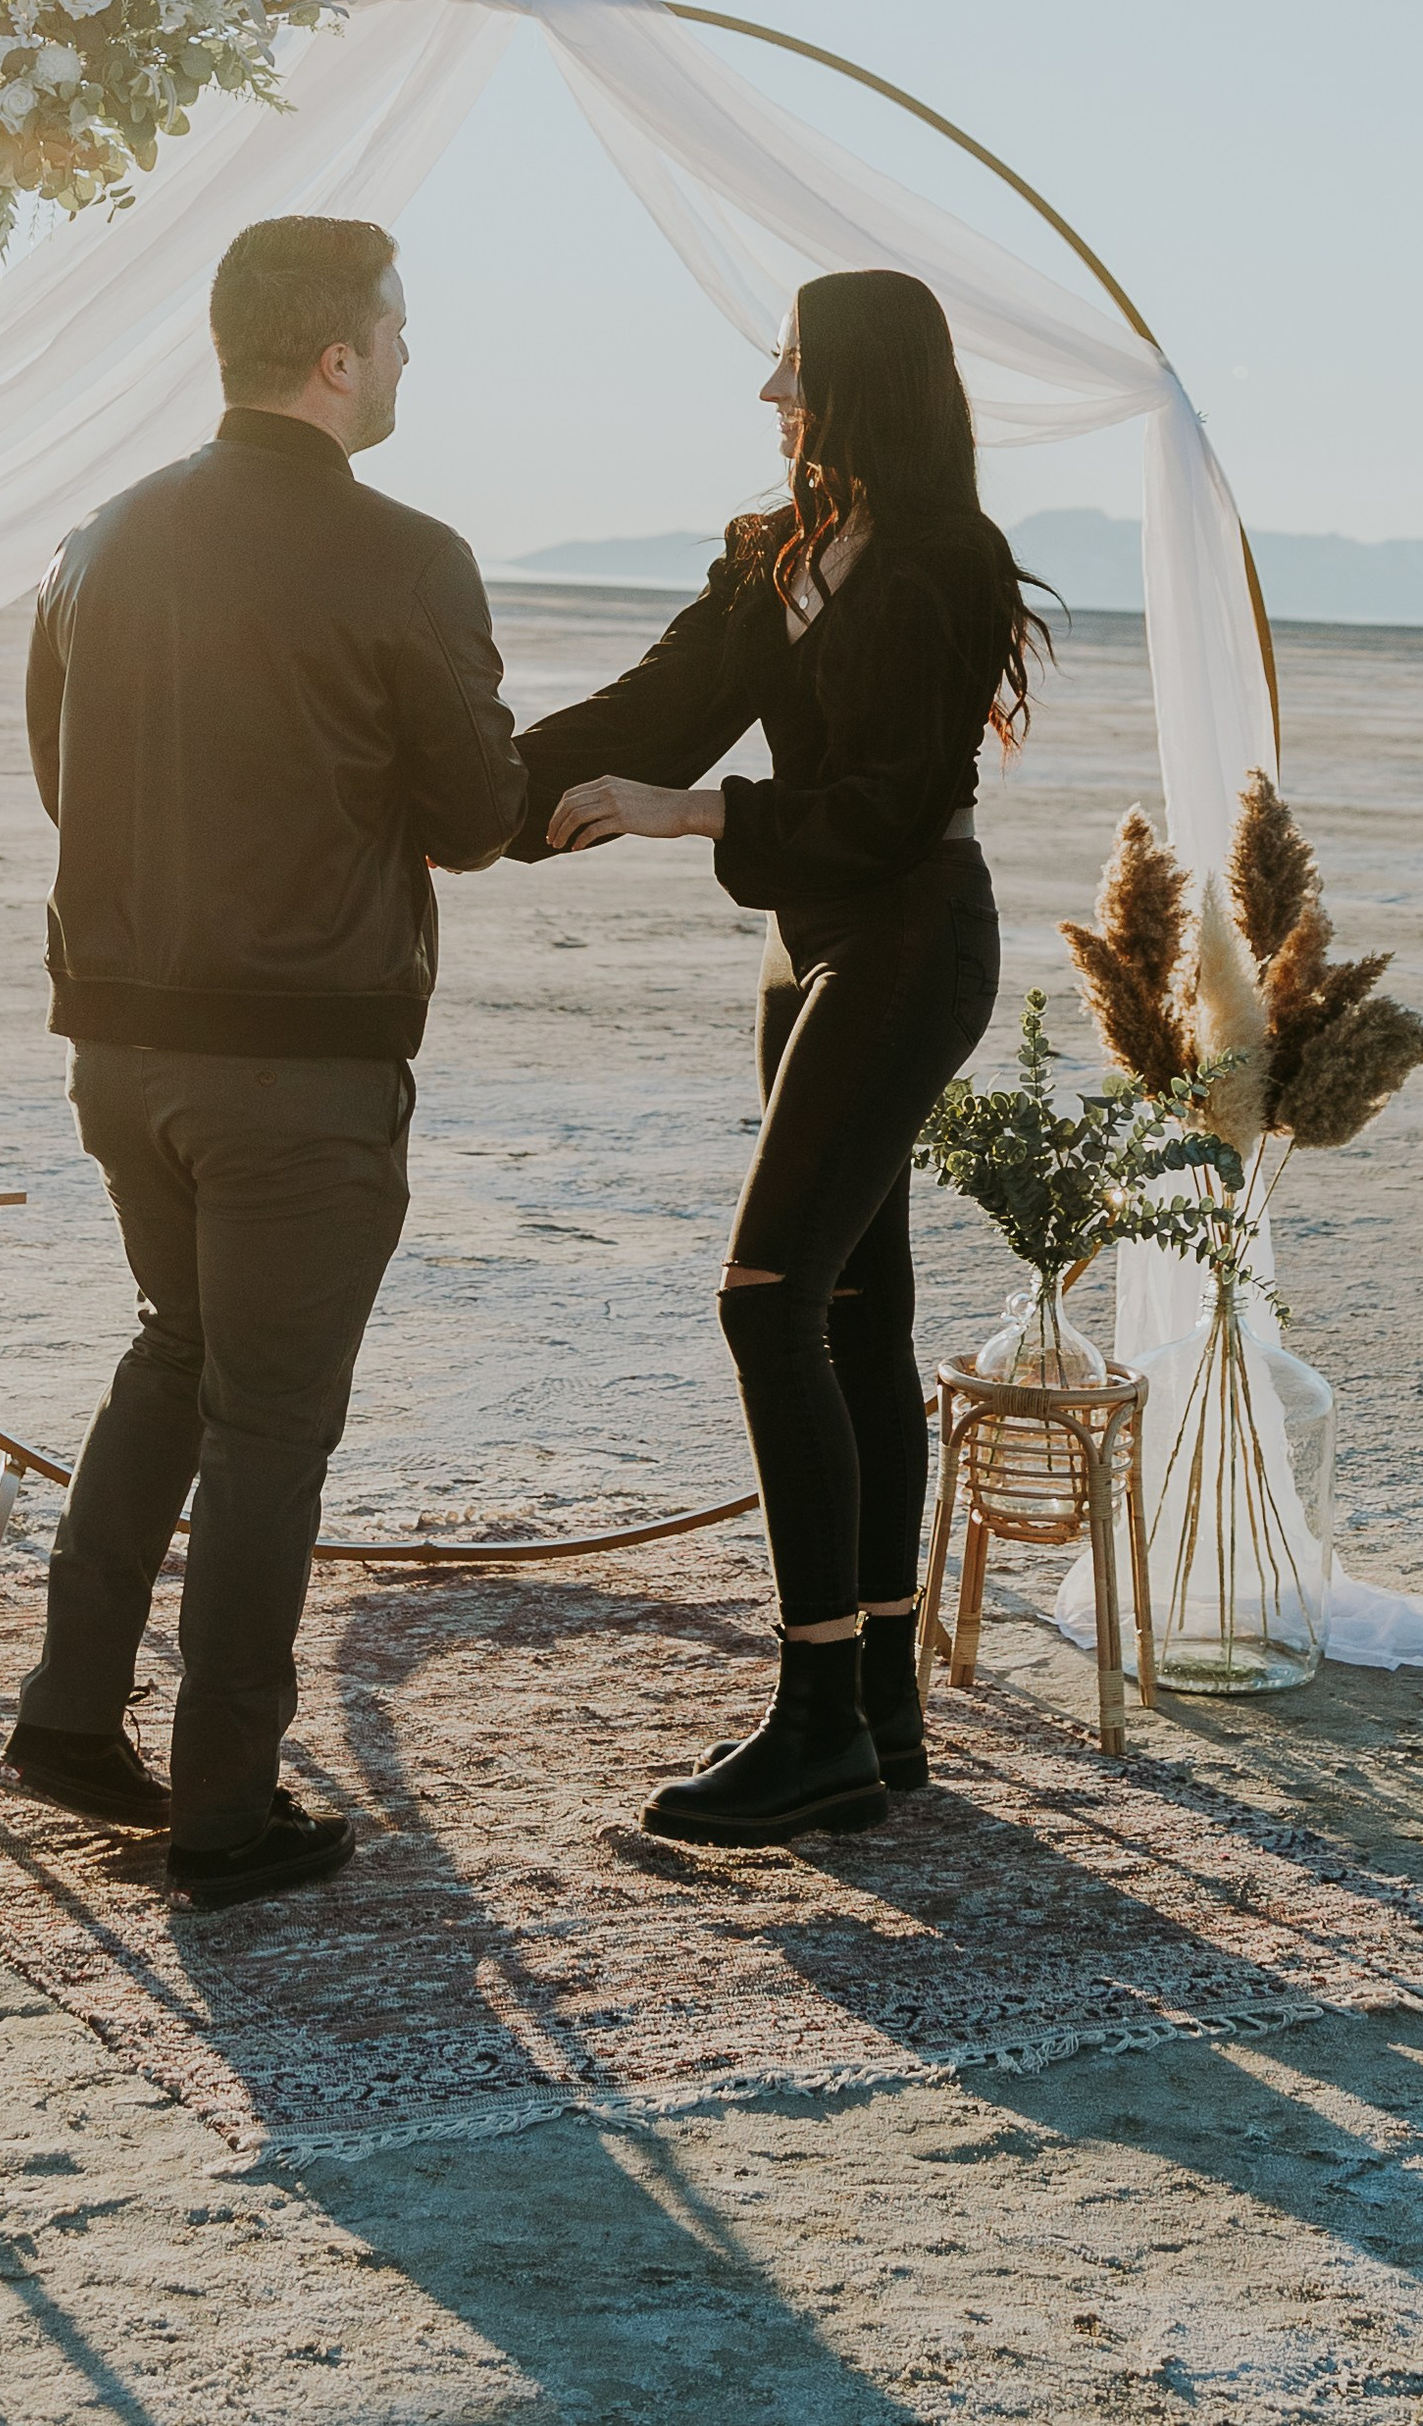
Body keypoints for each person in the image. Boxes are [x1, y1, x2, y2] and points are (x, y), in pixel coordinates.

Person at [0, 215, 526, 1905]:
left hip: (118, 1046)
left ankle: (71, 1714)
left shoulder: (100, 538)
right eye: (400, 325)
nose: (411, 359)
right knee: (272, 1425)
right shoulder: (409, 555)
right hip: (295, 1070)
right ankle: (226, 1805)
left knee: (181, 1350)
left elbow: (54, 763)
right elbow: (471, 817)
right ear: (339, 356)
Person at [513, 269, 1047, 1843]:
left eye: (794, 368)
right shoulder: (774, 559)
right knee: (860, 1313)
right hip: (803, 942)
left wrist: (698, 814)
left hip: (910, 935)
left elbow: (888, 806)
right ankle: (881, 1711)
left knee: (768, 1301)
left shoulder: (952, 563)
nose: (771, 399)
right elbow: (657, 710)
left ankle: (813, 1715)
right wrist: (465, 798)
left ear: (865, 380)